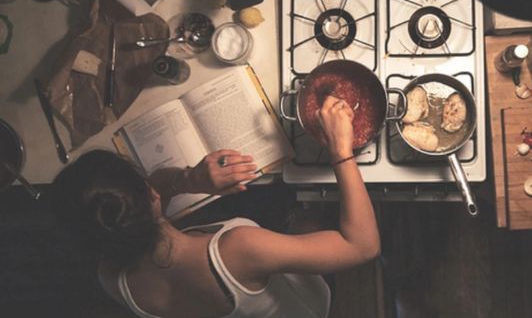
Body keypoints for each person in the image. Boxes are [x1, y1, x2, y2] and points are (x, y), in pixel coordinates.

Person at [50, 96, 379, 318]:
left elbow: (151, 190)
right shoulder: (241, 248)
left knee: (299, 223)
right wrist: (340, 148)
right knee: (311, 221)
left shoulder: (110, 274)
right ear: (150, 198)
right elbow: (362, 246)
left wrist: (190, 180)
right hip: (303, 307)